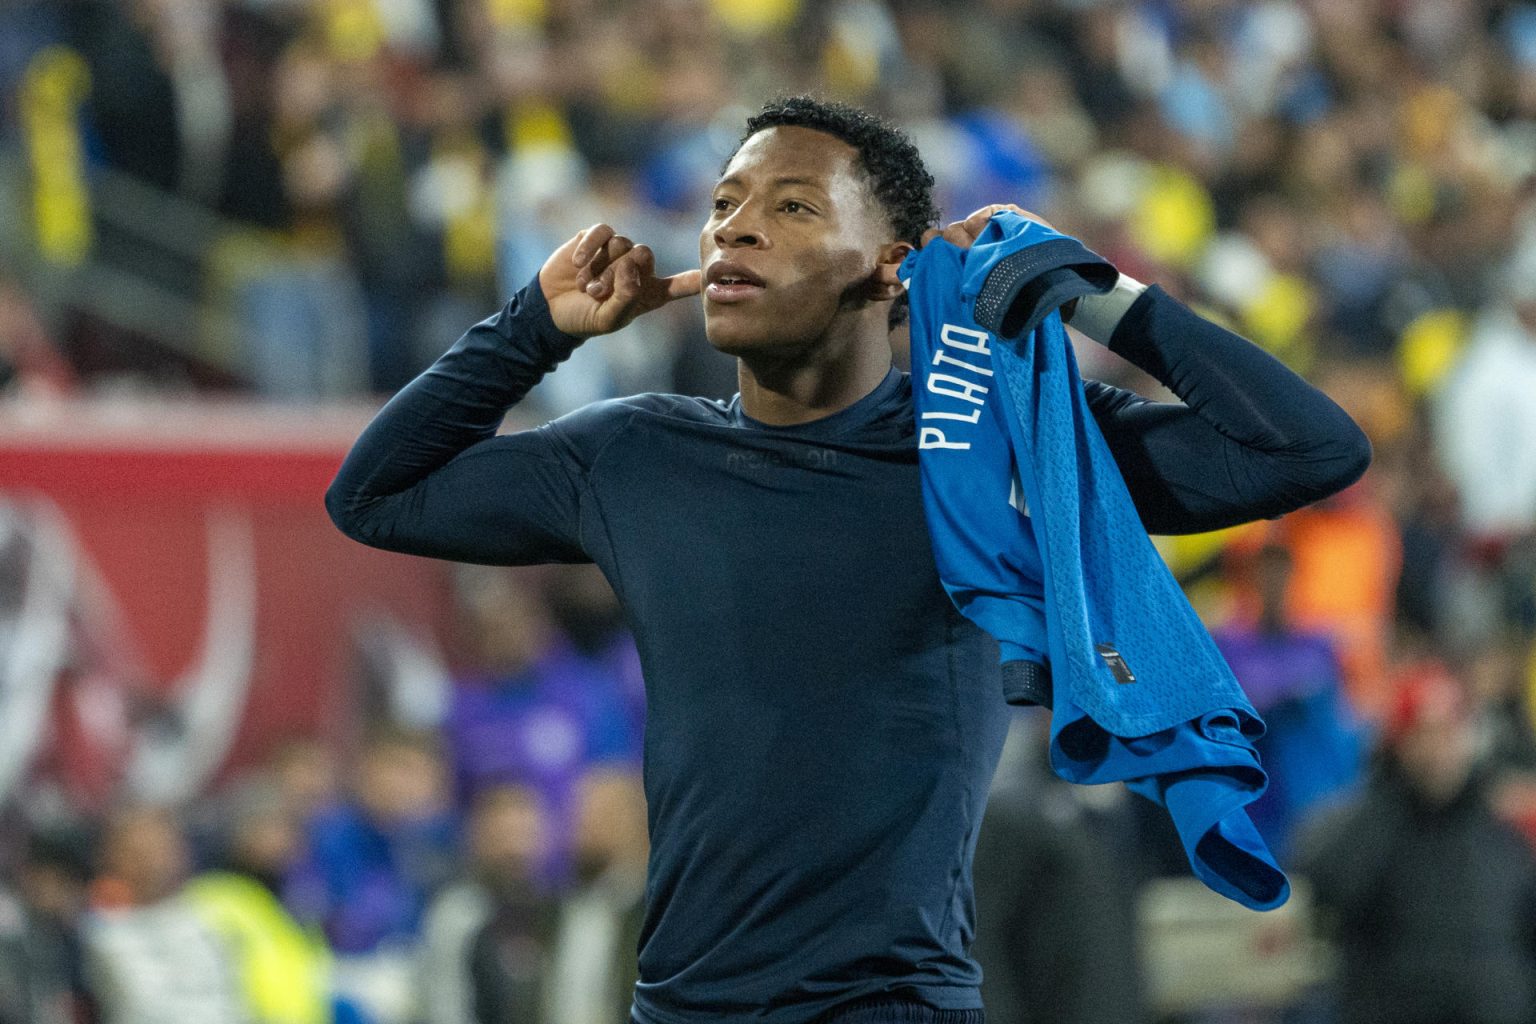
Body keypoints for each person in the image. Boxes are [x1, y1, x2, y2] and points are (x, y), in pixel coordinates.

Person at [327, 96, 1369, 1024]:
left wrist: (1101, 296)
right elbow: (373, 494)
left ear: (894, 262)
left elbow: (1309, 449)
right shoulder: (637, 453)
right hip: (680, 1003)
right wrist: (535, 328)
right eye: (726, 203)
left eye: (792, 207)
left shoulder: (986, 450)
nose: (736, 225)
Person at [1297, 662, 1536, 1024]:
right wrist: (1389, 793)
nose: (1438, 751)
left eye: (1448, 733)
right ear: (1400, 743)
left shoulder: (1501, 827)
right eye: (1423, 734)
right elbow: (1322, 884)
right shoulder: (1369, 822)